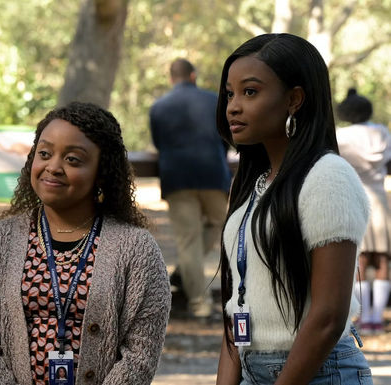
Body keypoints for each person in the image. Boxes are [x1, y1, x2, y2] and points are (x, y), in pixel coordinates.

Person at [0, 102, 170, 385]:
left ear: (102, 171)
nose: (54, 167)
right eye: (44, 153)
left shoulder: (137, 249)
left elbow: (140, 355)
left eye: (73, 159)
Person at [215, 33, 372, 384]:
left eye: (250, 92)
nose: (233, 106)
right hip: (252, 369)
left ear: (294, 99)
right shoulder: (252, 185)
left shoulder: (327, 177)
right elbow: (233, 314)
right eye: (230, 93)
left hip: (319, 372)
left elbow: (328, 317)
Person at [149, 58, 231, 319]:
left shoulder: (159, 107)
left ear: (172, 78)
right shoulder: (215, 100)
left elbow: (159, 143)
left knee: (188, 241)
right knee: (221, 224)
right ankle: (191, 282)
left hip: (177, 177)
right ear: (193, 75)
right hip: (213, 173)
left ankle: (199, 303)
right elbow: (227, 136)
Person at [336, 88, 391, 335]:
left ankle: (359, 315)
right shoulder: (381, 132)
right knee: (382, 258)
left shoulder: (341, 136)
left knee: (358, 258)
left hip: (352, 197)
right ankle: (376, 317)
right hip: (379, 198)